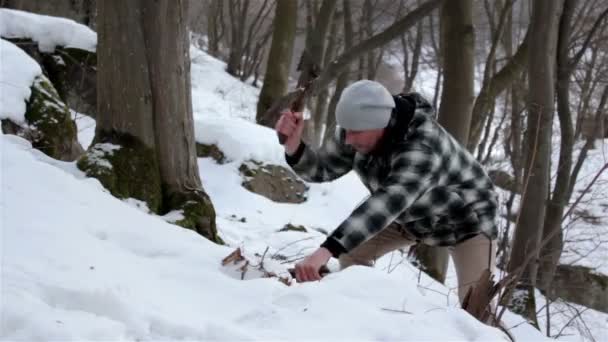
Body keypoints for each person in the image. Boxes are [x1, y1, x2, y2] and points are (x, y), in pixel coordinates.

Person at [275, 80, 498, 306]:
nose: (348, 140)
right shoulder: (356, 127)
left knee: (477, 308)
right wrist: (294, 147)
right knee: (350, 254)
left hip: (467, 221)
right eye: (346, 131)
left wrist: (325, 251)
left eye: (356, 133)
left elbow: (387, 202)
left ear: (380, 124)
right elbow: (322, 169)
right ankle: (353, 313)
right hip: (409, 215)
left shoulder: (423, 145)